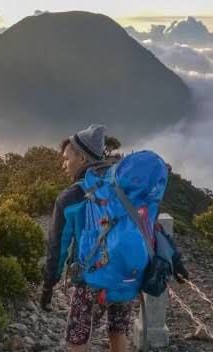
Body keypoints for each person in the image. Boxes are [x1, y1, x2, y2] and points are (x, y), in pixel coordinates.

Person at [40, 124, 131, 352]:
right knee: (117, 331)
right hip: (124, 272)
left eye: (66, 158)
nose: (63, 165)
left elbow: (58, 246)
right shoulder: (120, 186)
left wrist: (49, 284)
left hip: (91, 277)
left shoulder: (69, 197)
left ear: (81, 157)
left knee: (77, 340)